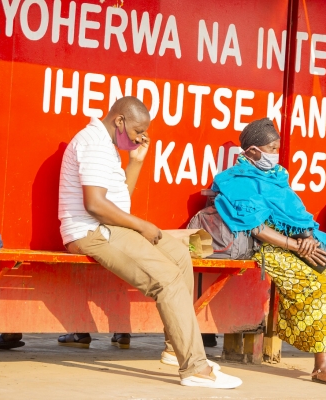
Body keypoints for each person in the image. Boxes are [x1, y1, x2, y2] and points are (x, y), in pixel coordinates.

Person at [57, 96, 241, 389]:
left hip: (109, 225)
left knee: (181, 257)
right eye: (137, 130)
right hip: (90, 232)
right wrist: (144, 226)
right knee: (166, 280)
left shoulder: (109, 145)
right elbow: (94, 205)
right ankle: (194, 367)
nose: (141, 137)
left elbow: (118, 200)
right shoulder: (93, 144)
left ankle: (174, 348)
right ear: (119, 120)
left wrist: (136, 162)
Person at [212, 118, 326, 387]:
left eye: (276, 148)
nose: (274, 154)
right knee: (318, 288)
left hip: (294, 246)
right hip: (263, 249)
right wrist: (296, 246)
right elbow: (256, 228)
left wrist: (306, 240)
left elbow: (296, 215)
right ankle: (321, 365)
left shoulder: (276, 177)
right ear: (252, 152)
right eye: (270, 148)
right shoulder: (235, 180)